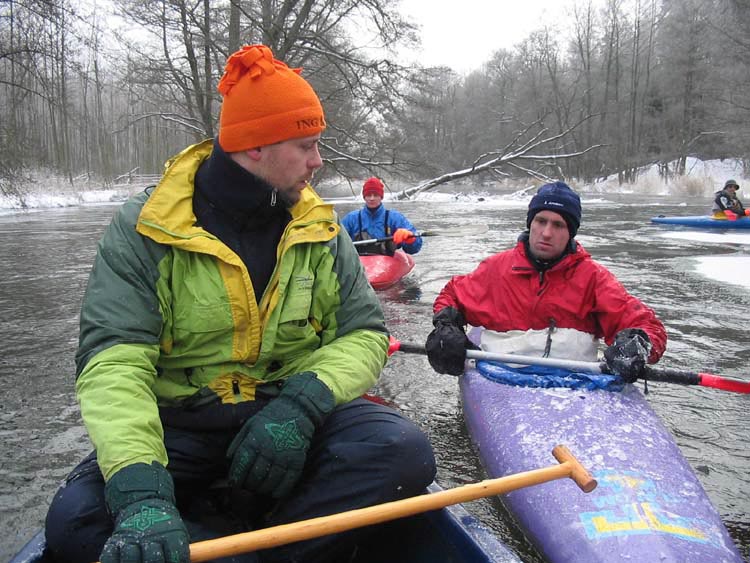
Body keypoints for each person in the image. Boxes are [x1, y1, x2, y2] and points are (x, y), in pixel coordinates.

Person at [44, 44, 435, 563]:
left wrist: (301, 406)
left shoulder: (320, 227)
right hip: (179, 425)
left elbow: (363, 335)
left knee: (403, 452)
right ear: (256, 147)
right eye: (306, 146)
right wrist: (140, 494)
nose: (318, 161)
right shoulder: (145, 229)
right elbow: (113, 364)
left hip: (289, 414)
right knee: (76, 518)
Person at [425, 181, 667, 381]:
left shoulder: (594, 278)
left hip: (575, 380)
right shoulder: (495, 269)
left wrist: (638, 345)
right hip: (501, 375)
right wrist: (446, 327)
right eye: (541, 221)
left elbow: (648, 325)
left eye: (558, 225)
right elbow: (451, 294)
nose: (547, 233)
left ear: (570, 233)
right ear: (531, 223)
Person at [341, 177, 423, 255]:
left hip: (387, 262)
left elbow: (414, 249)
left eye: (375, 195)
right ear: (364, 197)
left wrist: (410, 239)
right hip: (359, 262)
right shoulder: (351, 219)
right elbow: (338, 242)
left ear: (381, 197)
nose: (372, 198)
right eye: (368, 195)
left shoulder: (395, 218)